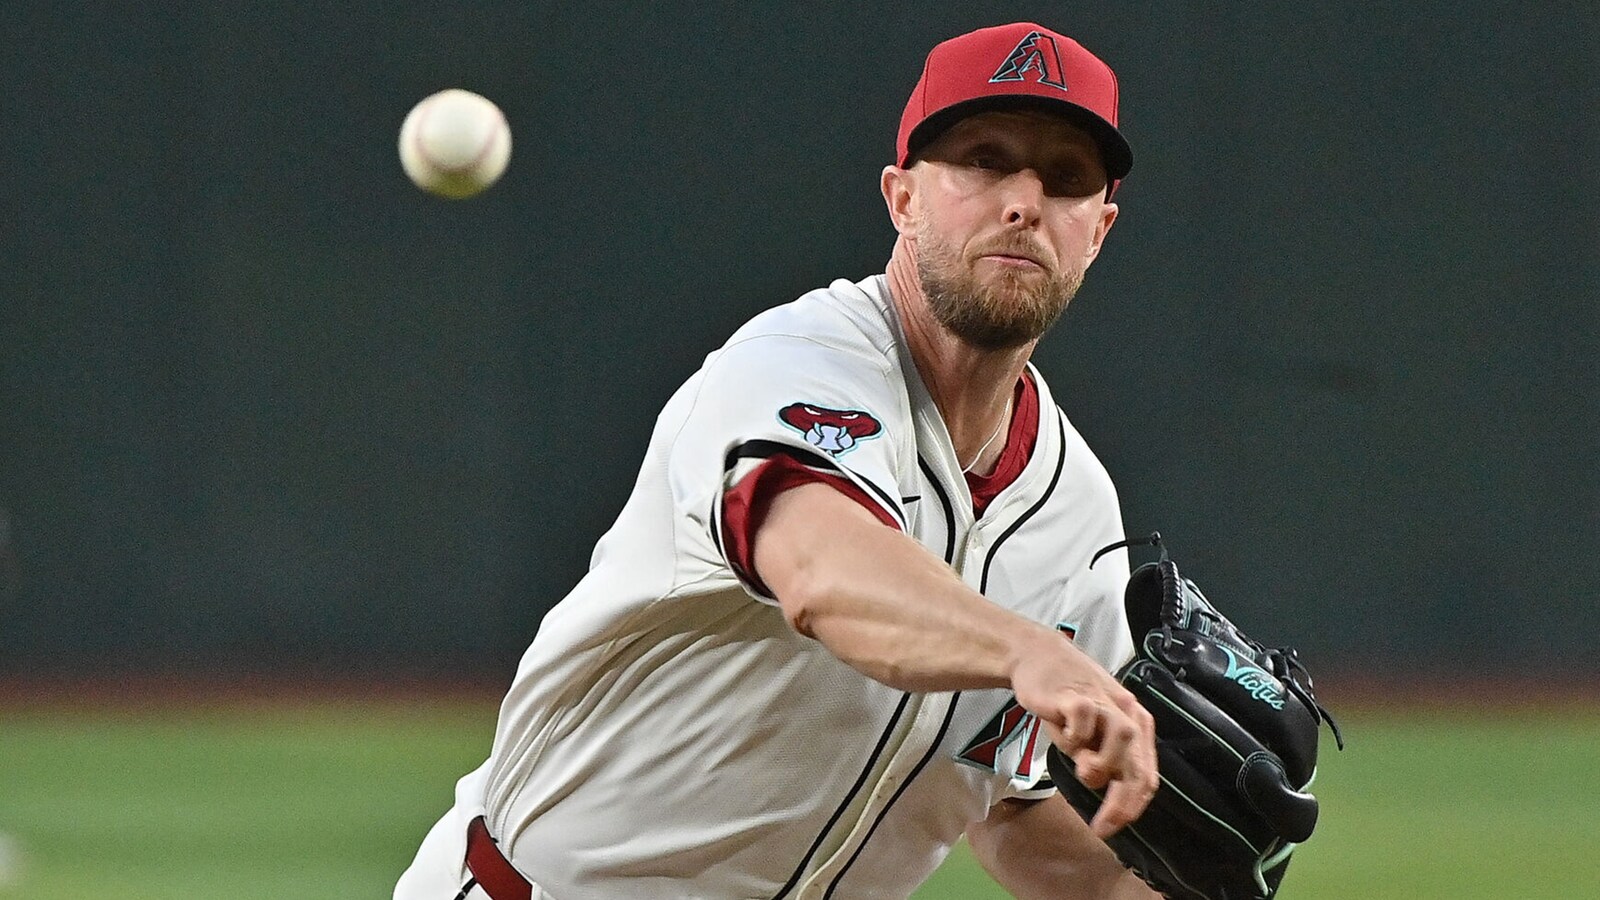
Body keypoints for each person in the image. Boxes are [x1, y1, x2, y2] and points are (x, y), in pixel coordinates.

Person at [397, 21, 1159, 900]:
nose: (1022, 201)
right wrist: (1026, 650)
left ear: (1097, 229)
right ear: (902, 197)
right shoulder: (796, 361)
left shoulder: (1075, 514)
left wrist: (1196, 870)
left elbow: (1016, 809)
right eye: (983, 161)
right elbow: (822, 573)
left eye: (1064, 178)